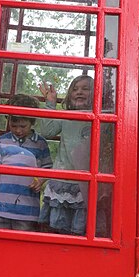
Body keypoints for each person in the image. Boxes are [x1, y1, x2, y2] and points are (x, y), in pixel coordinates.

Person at [0, 93, 52, 231]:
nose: (18, 130)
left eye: (23, 126)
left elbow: (48, 168)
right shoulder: (4, 141)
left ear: (32, 122)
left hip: (27, 209)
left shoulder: (40, 144)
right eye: (14, 126)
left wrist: (40, 180)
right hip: (0, 205)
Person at [38, 75, 94, 236]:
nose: (79, 92)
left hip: (85, 183)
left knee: (80, 231)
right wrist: (50, 103)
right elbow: (47, 131)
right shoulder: (67, 116)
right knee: (56, 231)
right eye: (75, 89)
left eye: (85, 88)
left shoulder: (103, 116)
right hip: (61, 181)